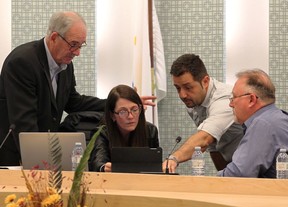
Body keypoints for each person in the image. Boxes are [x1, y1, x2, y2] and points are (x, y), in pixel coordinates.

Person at [0, 11, 155, 166]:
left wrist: (118, 104)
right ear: (54, 37)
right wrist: (40, 163)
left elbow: (74, 102)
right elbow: (24, 122)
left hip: (41, 155)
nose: (78, 53)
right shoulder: (23, 62)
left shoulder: (65, 64)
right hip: (15, 156)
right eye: (73, 45)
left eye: (81, 46)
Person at [163, 54, 243, 173]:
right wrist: (222, 179)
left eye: (188, 87)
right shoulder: (193, 101)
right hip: (231, 165)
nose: (182, 95)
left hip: (255, 166)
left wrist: (174, 158)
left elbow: (204, 138)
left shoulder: (226, 99)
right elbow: (211, 146)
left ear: (205, 81)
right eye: (178, 88)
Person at [217, 69, 288, 178]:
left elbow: (238, 175)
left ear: (251, 99)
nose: (231, 104)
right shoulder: (276, 118)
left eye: (234, 97)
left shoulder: (264, 124)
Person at [88, 84, 159, 172]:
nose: (130, 116)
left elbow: (155, 166)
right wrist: (105, 167)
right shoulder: (101, 133)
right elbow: (98, 163)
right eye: (123, 112)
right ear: (112, 115)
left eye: (134, 109)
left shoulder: (150, 130)